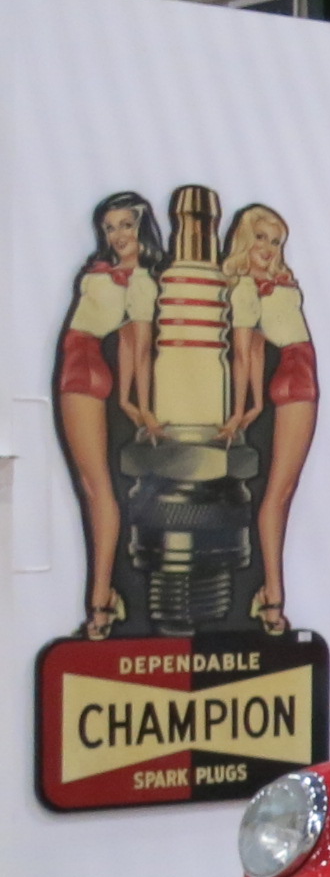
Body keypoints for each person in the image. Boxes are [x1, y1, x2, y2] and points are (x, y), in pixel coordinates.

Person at [55, 192, 163, 638]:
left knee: (97, 488)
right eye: (110, 227)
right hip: (82, 368)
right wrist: (126, 402)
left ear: (143, 229)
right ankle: (103, 596)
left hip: (83, 370)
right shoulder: (111, 271)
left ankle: (101, 600)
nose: (118, 235)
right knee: (92, 488)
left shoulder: (142, 282)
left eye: (126, 225)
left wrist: (139, 404)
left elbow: (138, 346)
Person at [225, 203, 318, 636]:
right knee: (279, 492)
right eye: (260, 238)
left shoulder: (271, 283)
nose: (267, 249)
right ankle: (273, 594)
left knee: (283, 491)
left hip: (295, 377)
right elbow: (244, 353)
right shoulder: (245, 288)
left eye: (275, 242)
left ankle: (273, 591)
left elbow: (258, 349)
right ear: (245, 240)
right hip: (297, 378)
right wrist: (242, 407)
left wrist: (255, 404)